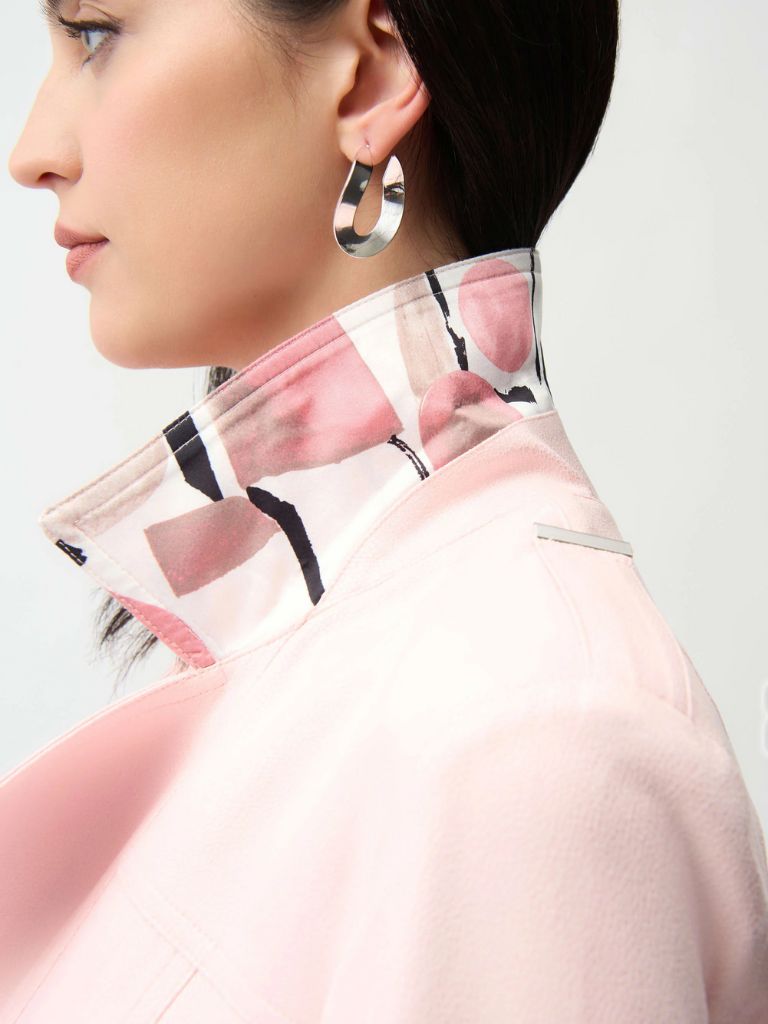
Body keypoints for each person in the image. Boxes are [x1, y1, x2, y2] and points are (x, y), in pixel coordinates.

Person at [3, 0, 767, 1020]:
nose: (32, 152)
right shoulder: (347, 637)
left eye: (94, 33)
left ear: (370, 78)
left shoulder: (534, 743)